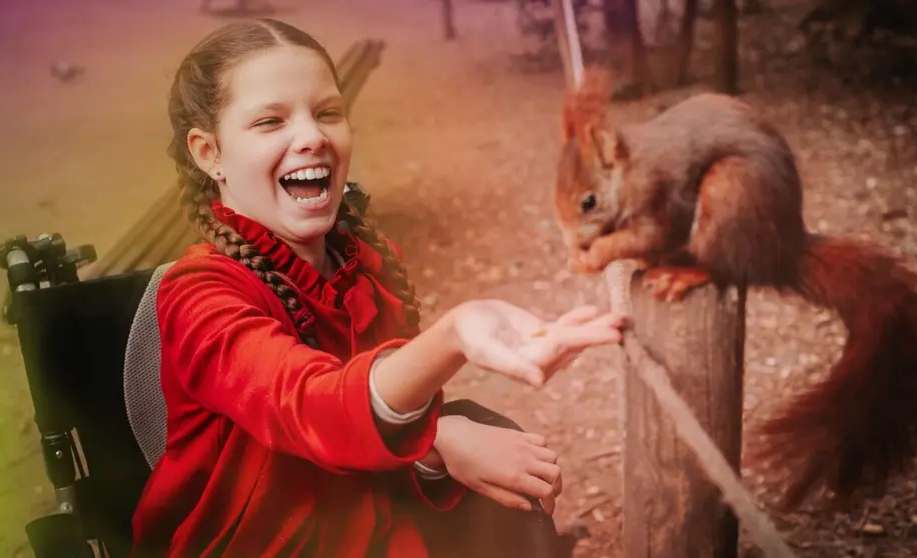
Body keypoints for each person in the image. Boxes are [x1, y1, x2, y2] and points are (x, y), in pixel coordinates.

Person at [129, 18, 625, 558]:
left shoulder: (367, 262)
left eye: (328, 113)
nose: (313, 136)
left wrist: (434, 447)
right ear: (209, 154)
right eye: (270, 121)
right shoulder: (198, 295)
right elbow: (308, 406)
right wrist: (452, 340)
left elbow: (376, 433)